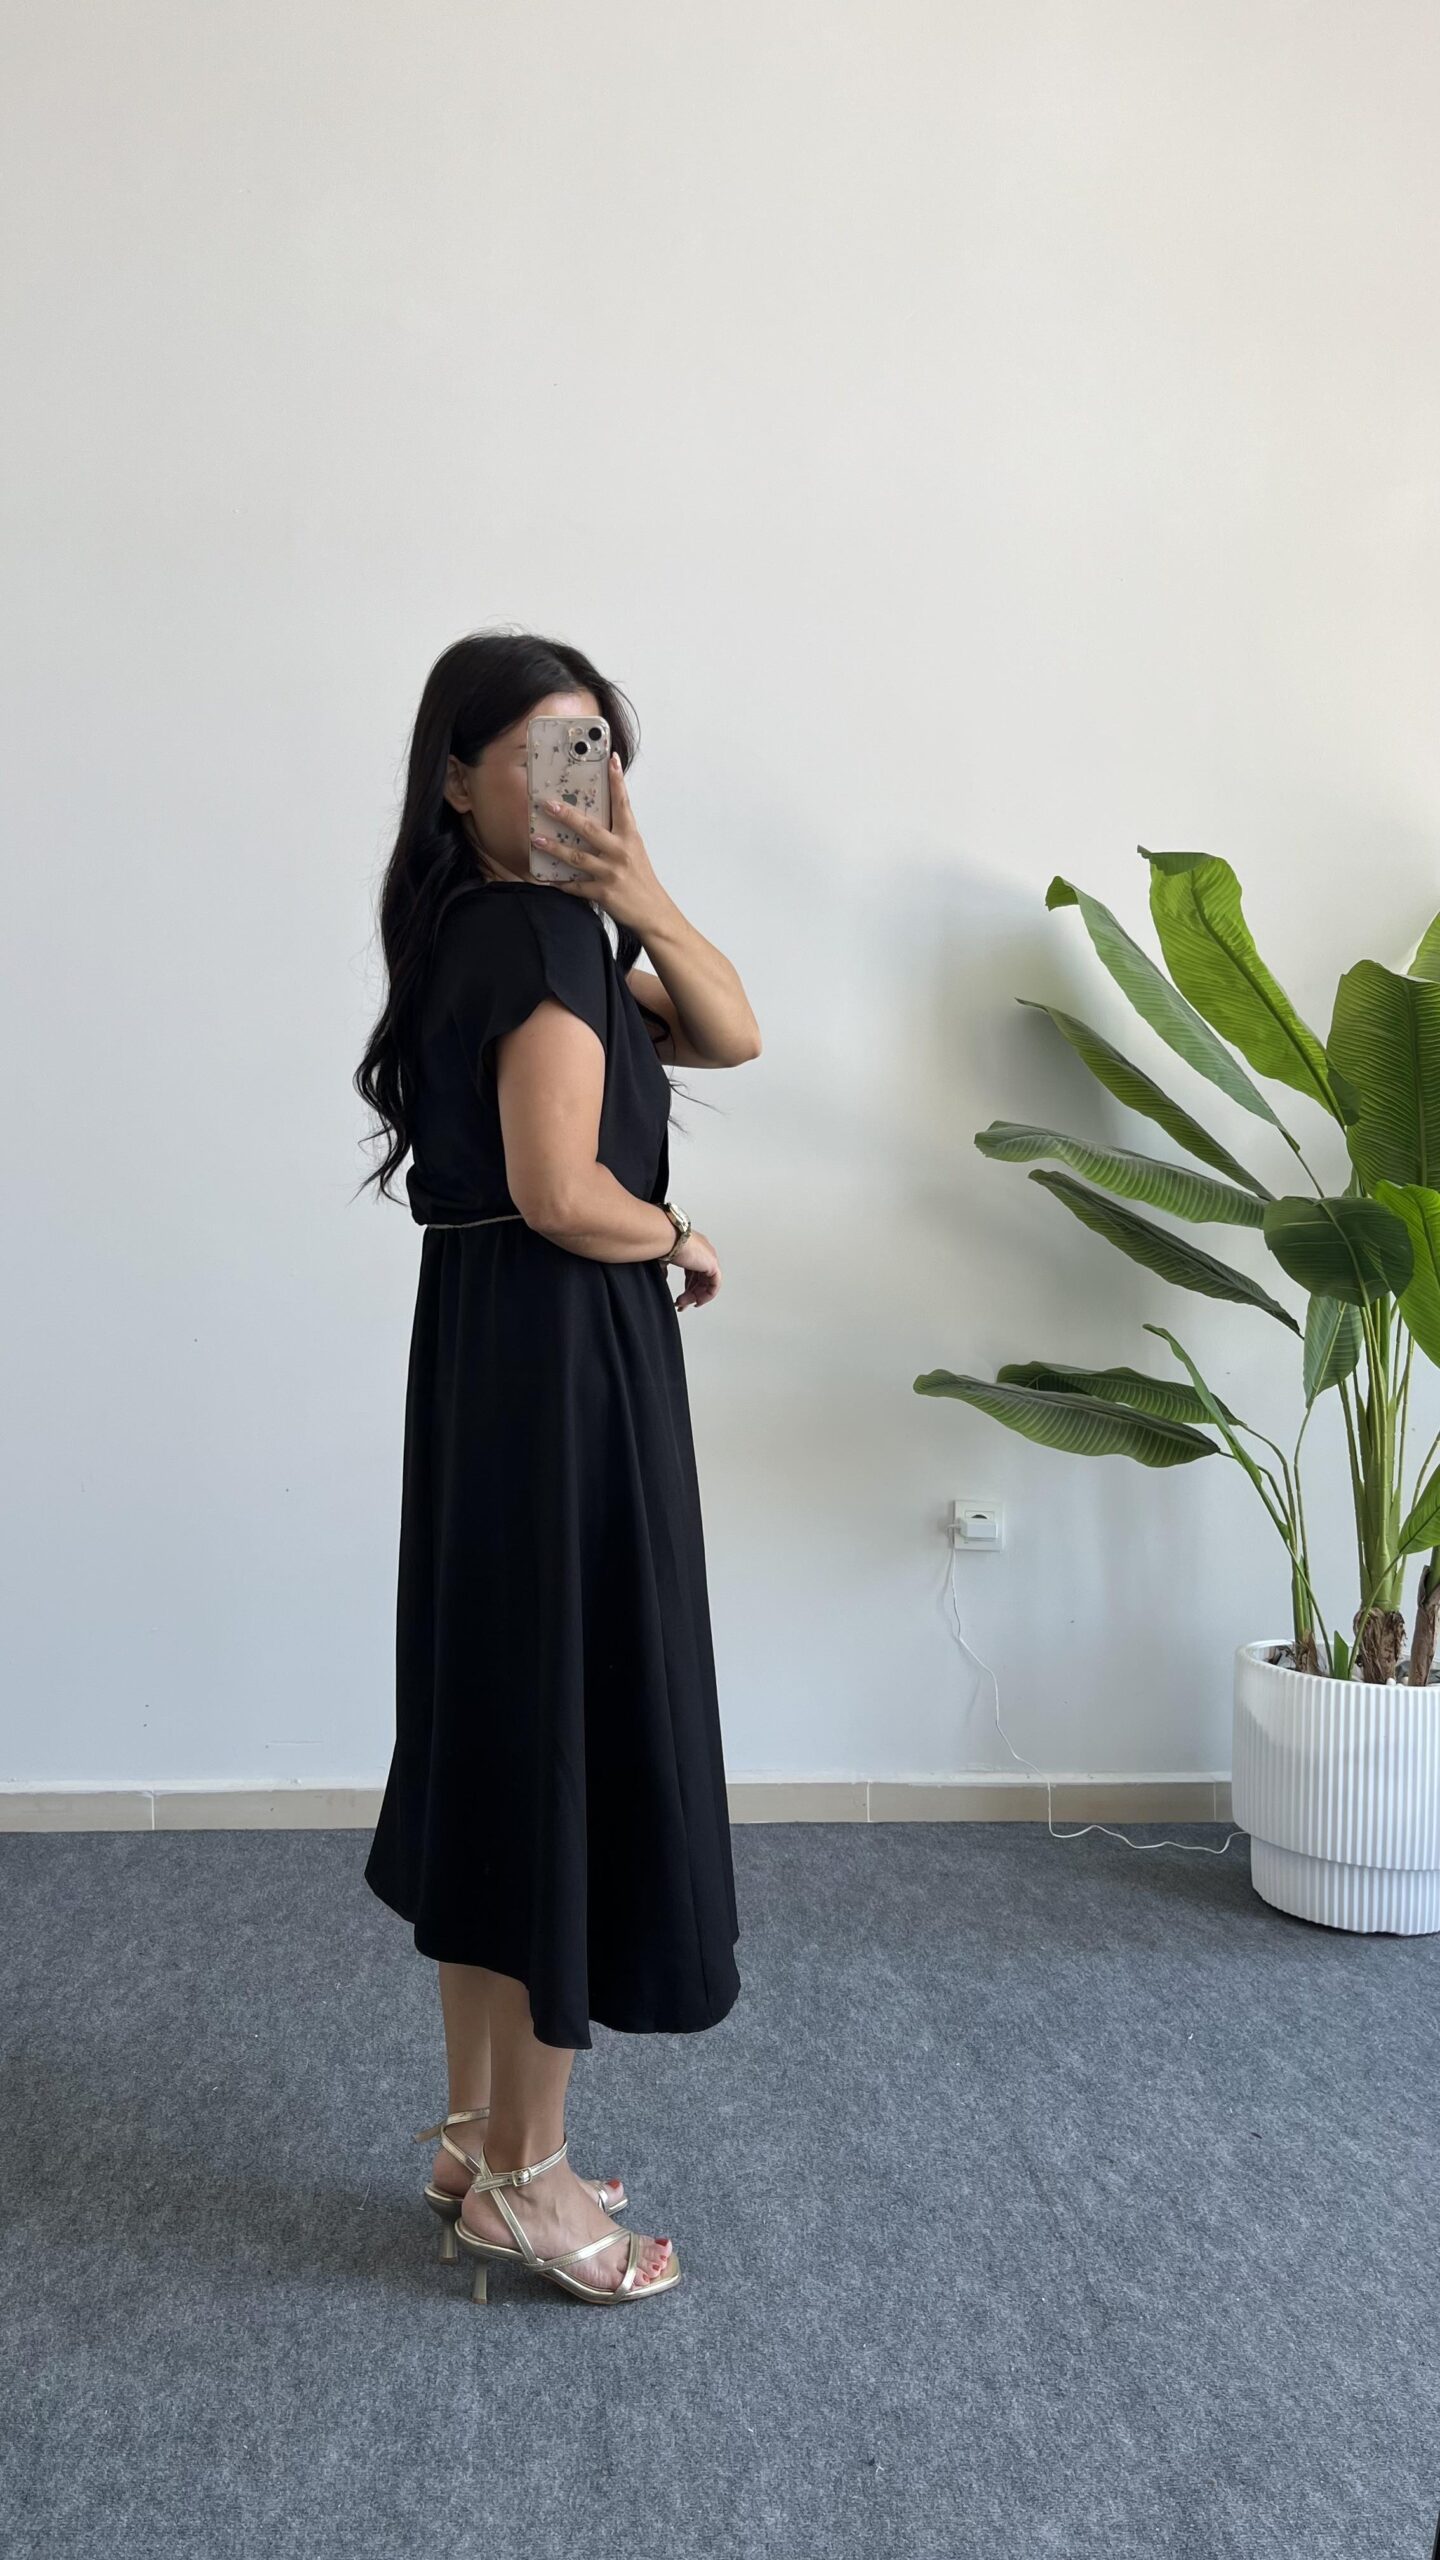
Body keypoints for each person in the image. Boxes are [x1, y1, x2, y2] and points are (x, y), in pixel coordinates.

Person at [353, 631, 761, 2305]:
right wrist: (681, 1231)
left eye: (598, 747)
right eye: (542, 749)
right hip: (565, 1365)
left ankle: (474, 2140)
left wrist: (640, 890)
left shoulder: (497, 927)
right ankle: (529, 2180)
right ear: (460, 780)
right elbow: (559, 1190)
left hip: (488, 1360)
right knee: (565, 1743)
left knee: (502, 1735)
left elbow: (728, 1028)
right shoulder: (537, 939)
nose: (576, 778)